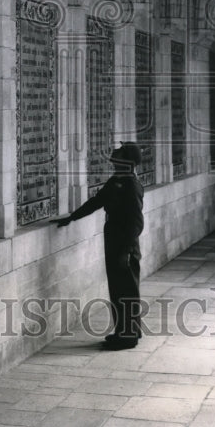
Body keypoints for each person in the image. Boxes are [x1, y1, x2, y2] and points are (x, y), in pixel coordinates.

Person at [57, 141, 144, 349]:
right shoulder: (117, 180)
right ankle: (126, 331)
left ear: (128, 161)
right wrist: (72, 217)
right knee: (118, 288)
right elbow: (97, 202)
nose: (114, 150)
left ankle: (128, 337)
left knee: (126, 289)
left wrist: (126, 251)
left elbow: (136, 222)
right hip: (114, 240)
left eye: (120, 151)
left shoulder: (130, 184)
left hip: (124, 245)